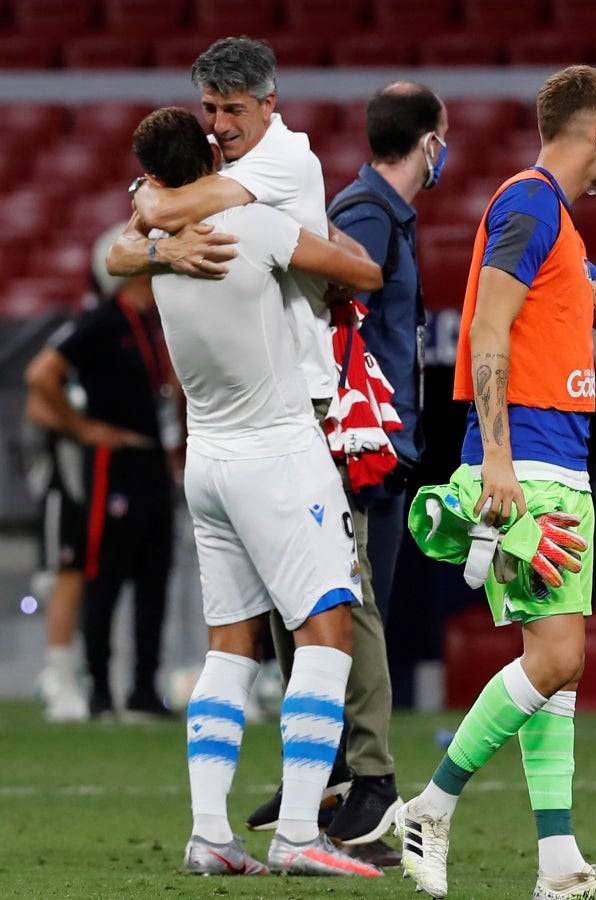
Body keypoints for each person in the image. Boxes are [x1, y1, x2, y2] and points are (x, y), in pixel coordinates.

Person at [108, 35, 404, 864]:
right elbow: (366, 273)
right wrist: (339, 268)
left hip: (206, 461)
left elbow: (129, 236)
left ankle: (208, 834)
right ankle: (305, 833)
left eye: (231, 109)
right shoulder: (254, 224)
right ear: (200, 146)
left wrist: (155, 231)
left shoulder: (161, 247)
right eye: (210, 114)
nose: (221, 124)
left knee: (229, 643)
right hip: (280, 447)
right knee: (330, 628)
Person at [395, 64, 596, 900]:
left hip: (563, 455)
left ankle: (557, 864)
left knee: (557, 673)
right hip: (531, 461)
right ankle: (432, 806)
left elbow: (553, 314)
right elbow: (487, 325)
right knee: (556, 656)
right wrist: (501, 462)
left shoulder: (561, 224)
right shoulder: (530, 201)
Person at [25, 224, 179, 722]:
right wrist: (84, 429)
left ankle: (143, 690)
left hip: (154, 459)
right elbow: (40, 375)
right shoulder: (103, 319)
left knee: (155, 576)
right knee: (105, 575)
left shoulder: (158, 322)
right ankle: (98, 691)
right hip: (114, 463)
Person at [328, 81, 448, 630]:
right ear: (427, 145)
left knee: (367, 611)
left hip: (383, 446)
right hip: (365, 448)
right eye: (442, 139)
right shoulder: (369, 217)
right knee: (358, 614)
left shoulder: (383, 214)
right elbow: (335, 327)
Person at [23, 381, 88, 722]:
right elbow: (37, 402)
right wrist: (83, 426)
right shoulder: (64, 356)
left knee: (89, 585)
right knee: (62, 580)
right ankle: (59, 678)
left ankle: (81, 673)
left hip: (96, 490)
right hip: (63, 491)